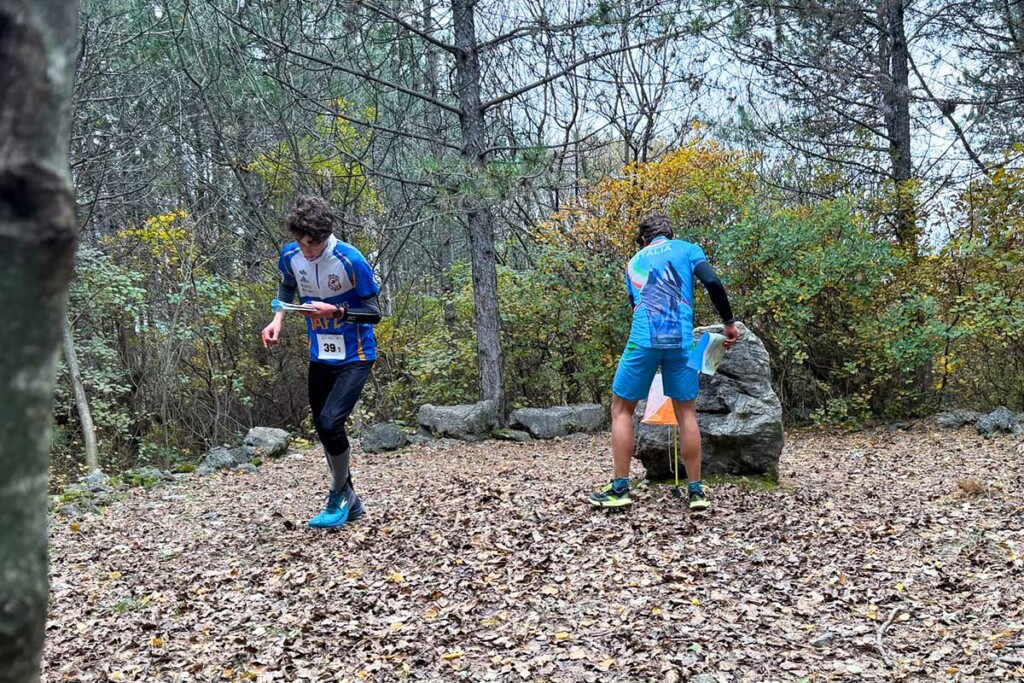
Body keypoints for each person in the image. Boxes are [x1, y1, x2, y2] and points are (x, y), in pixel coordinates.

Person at [589, 212, 738, 512]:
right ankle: (696, 492)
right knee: (687, 415)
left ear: (644, 238)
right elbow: (712, 281)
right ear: (669, 233)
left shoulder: (635, 263)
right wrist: (728, 322)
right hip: (681, 342)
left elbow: (636, 308)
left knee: (621, 410)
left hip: (643, 341)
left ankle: (620, 489)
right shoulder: (687, 249)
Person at [261, 195, 382, 528]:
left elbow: (374, 314)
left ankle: (337, 495)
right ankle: (350, 502)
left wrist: (336, 310)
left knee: (331, 423)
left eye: (313, 246)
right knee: (324, 429)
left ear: (326, 236)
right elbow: (287, 286)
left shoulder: (350, 260)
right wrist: (278, 320)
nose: (307, 252)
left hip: (356, 355)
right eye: (302, 245)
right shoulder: (290, 256)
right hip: (321, 354)